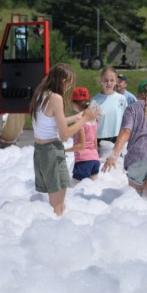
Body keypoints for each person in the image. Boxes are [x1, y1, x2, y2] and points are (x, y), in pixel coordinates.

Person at [30, 64, 99, 216]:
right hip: (52, 151)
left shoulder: (41, 94)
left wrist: (76, 117)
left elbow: (50, 122)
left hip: (40, 152)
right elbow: (65, 134)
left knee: (52, 205)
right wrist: (86, 118)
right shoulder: (56, 98)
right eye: (69, 82)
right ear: (63, 80)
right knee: (58, 207)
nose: (69, 87)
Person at [65, 87, 101, 182]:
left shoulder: (80, 121)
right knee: (91, 191)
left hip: (83, 161)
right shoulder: (94, 119)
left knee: (76, 192)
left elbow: (82, 145)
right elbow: (95, 144)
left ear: (73, 103)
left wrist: (64, 150)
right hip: (95, 160)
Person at [93, 66, 128, 147]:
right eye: (106, 80)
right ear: (101, 81)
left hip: (118, 139)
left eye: (112, 80)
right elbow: (92, 125)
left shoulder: (122, 99)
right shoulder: (95, 101)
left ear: (116, 81)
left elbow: (126, 121)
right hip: (100, 140)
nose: (109, 83)